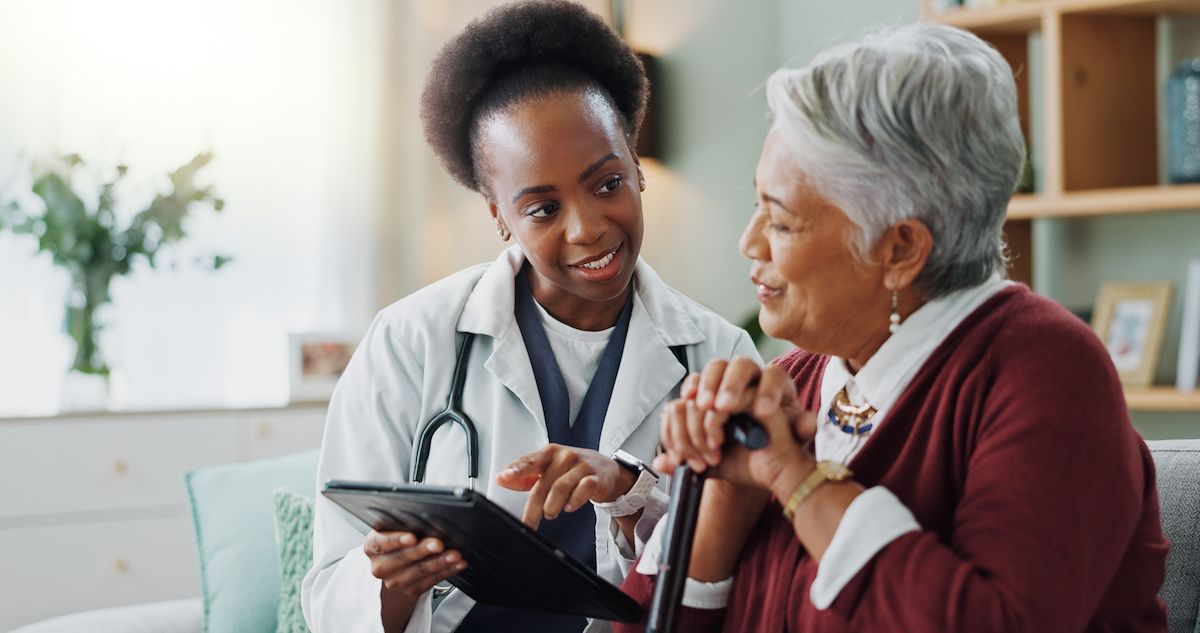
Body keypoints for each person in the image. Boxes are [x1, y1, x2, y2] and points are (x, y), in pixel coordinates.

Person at [617, 23, 1170, 632]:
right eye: (758, 206)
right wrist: (728, 492)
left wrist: (793, 477)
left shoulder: (1046, 372)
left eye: (781, 221)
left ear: (900, 248)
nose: (749, 242)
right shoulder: (790, 383)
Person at [300, 2, 759, 632]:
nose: (587, 228)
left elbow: (744, 575)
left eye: (607, 183)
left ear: (635, 165)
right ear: (499, 215)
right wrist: (391, 580)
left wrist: (632, 493)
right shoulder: (410, 341)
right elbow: (331, 590)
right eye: (543, 209)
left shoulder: (719, 356)